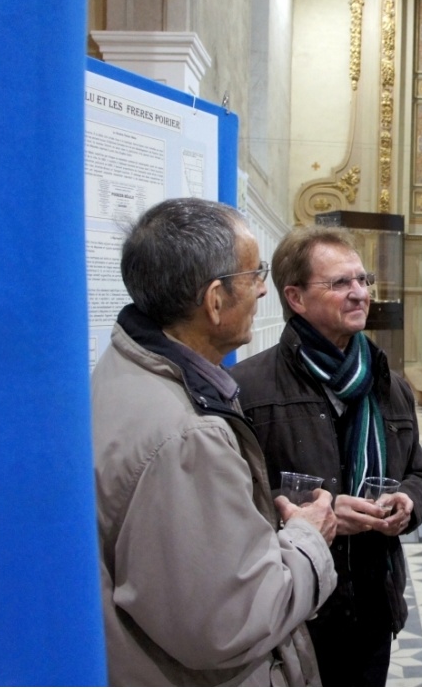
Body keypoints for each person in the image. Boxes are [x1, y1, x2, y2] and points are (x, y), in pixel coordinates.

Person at [93, 198, 338, 686]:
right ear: (215, 300)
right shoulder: (187, 436)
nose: (263, 289)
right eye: (253, 275)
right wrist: (310, 536)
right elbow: (230, 622)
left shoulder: (126, 369)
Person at [232, 226, 422, 687]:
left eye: (363, 280)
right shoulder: (250, 390)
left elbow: (419, 471)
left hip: (372, 603)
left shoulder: (389, 385)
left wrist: (408, 501)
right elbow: (230, 503)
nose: (360, 293)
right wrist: (313, 515)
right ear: (296, 298)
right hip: (295, 611)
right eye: (341, 283)